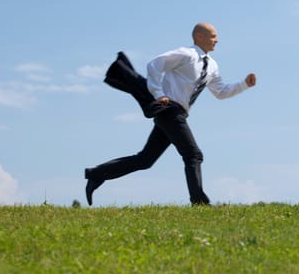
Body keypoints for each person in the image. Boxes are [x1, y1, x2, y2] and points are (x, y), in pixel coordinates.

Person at [84, 22, 257, 206]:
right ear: (199, 37)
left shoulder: (212, 65)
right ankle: (199, 203)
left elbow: (221, 92)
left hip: (179, 113)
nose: (217, 40)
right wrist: (159, 94)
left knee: (145, 159)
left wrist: (244, 84)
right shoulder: (186, 54)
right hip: (169, 110)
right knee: (193, 155)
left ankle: (96, 174)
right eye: (213, 36)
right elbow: (154, 65)